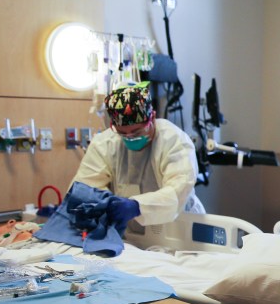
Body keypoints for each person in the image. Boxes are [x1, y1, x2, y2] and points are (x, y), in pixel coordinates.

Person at [71, 81, 205, 228]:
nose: (130, 138)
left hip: (179, 229)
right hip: (131, 236)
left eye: (137, 132)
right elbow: (86, 187)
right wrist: (73, 207)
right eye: (123, 133)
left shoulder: (174, 141)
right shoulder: (105, 144)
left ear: (152, 118)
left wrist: (137, 206)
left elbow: (177, 192)